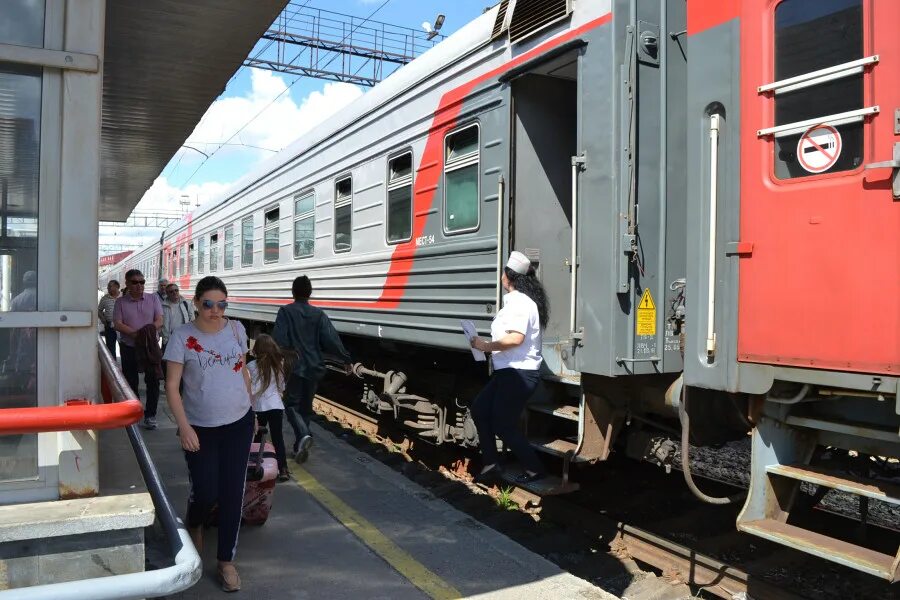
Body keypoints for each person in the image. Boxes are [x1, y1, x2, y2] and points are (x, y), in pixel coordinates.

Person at [163, 275, 252, 593]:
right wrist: (183, 426)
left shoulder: (237, 329)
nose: (216, 310)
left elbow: (242, 369)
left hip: (239, 423)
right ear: (197, 304)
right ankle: (196, 521)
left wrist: (251, 406)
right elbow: (172, 386)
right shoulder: (181, 336)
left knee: (232, 492)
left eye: (222, 304)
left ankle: (226, 560)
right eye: (209, 304)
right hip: (199, 426)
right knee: (205, 489)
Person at [469, 251, 549, 485]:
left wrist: (485, 345)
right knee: (480, 410)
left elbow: (515, 338)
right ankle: (492, 463)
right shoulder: (517, 301)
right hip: (508, 373)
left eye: (503, 272)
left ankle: (536, 469)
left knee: (503, 424)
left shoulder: (521, 303)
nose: (501, 276)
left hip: (519, 374)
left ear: (508, 277)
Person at [273, 275, 351, 463]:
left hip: (295, 366)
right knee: (306, 408)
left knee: (290, 405)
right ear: (310, 293)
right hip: (314, 367)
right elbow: (331, 339)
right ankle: (300, 445)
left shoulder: (285, 312)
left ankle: (304, 434)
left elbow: (278, 339)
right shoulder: (319, 314)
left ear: (293, 292)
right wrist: (346, 359)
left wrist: (280, 357)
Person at [113, 269, 163, 430]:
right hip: (129, 348)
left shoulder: (153, 298)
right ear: (127, 284)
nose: (139, 285)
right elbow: (118, 324)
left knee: (153, 381)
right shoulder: (120, 302)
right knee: (131, 382)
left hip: (150, 348)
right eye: (135, 282)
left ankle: (150, 415)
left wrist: (145, 334)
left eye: (142, 282)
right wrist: (136, 335)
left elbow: (160, 320)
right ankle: (135, 413)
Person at [248, 334, 294, 482]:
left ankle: (255, 467)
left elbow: (250, 389)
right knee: (277, 438)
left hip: (259, 407)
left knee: (257, 437)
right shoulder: (278, 364)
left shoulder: (251, 366)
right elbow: (282, 387)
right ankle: (284, 469)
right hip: (276, 406)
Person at [161, 283, 194, 350]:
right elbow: (162, 325)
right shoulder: (163, 306)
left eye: (176, 290)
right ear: (167, 294)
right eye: (171, 291)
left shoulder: (186, 303)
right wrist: (165, 341)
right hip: (170, 339)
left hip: (185, 338)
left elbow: (192, 320)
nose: (174, 292)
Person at [98, 280, 121, 358]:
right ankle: (113, 366)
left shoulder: (123, 297)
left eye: (110, 286)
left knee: (124, 347)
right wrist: (104, 321)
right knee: (110, 348)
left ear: (117, 287)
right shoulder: (105, 298)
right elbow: (99, 310)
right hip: (109, 326)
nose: (107, 288)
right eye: (108, 286)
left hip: (122, 327)